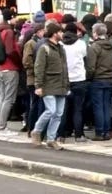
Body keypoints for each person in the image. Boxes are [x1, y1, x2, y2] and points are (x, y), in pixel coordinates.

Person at [31, 21, 69, 150]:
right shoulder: (44, 48)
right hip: (49, 85)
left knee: (58, 113)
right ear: (54, 33)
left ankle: (51, 139)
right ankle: (36, 131)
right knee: (51, 111)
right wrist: (38, 86)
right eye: (60, 32)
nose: (62, 34)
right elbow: (39, 68)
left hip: (61, 85)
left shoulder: (61, 48)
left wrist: (66, 85)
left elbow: (65, 69)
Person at [85, 22, 112, 142]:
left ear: (96, 33)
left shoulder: (94, 47)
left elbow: (91, 67)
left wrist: (88, 77)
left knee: (98, 106)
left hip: (97, 79)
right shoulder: (111, 45)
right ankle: (107, 131)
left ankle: (99, 132)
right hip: (109, 78)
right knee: (106, 105)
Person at [61, 23, 88, 142]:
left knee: (63, 109)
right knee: (78, 109)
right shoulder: (81, 43)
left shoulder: (60, 44)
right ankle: (79, 134)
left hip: (64, 79)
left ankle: (61, 134)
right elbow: (84, 56)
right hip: (79, 79)